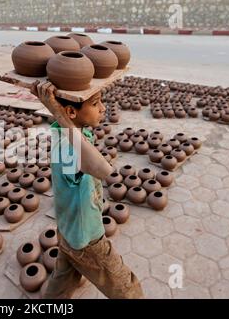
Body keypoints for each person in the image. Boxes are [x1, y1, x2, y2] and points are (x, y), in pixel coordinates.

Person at [31, 81, 144, 299]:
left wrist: (55, 108)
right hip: (87, 238)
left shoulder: (65, 132)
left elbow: (70, 128)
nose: (103, 108)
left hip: (68, 229)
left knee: (63, 278)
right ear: (71, 112)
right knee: (126, 288)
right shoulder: (68, 151)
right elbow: (104, 170)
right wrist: (57, 110)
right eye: (95, 103)